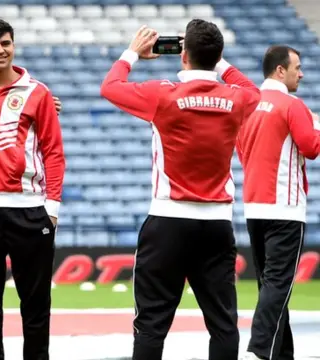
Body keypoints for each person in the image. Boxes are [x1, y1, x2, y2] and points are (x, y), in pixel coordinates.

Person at [99, 21, 261, 360]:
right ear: (216, 57)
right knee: (223, 324)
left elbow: (111, 87)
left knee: (151, 324)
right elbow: (253, 90)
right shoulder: (237, 98)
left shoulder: (162, 92)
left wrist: (132, 52)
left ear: (182, 55)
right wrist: (220, 62)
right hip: (217, 224)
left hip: (168, 221)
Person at [0, 19, 65, 360]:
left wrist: (52, 207)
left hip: (28, 210)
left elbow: (54, 152)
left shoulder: (38, 93)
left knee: (35, 304)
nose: (0, 50)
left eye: (5, 43)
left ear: (13, 45)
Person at [236, 45, 320, 360]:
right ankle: (258, 351)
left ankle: (282, 354)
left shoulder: (249, 104)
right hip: (285, 208)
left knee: (269, 285)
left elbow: (240, 149)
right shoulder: (292, 104)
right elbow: (311, 148)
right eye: (297, 67)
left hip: (254, 206)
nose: (301, 73)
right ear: (280, 71)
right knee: (278, 287)